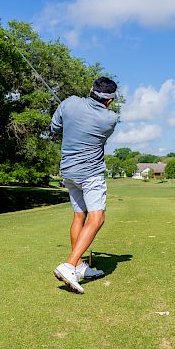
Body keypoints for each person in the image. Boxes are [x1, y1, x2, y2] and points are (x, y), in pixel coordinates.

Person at [51, 77, 118, 294]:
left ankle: (80, 267)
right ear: (109, 100)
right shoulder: (110, 119)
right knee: (97, 218)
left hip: (69, 172)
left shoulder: (69, 102)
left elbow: (55, 127)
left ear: (91, 90)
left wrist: (66, 112)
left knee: (79, 216)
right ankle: (70, 265)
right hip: (90, 174)